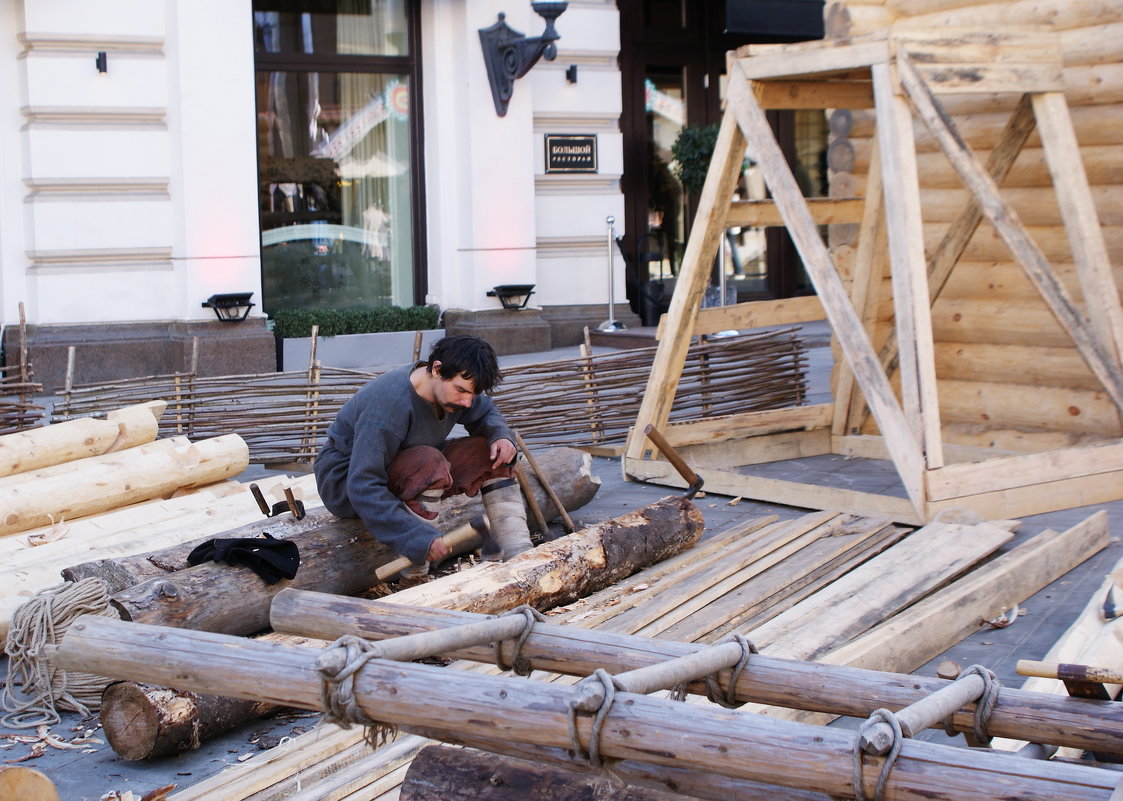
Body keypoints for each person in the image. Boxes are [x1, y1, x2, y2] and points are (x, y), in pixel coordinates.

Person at [313, 335, 533, 571]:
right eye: (461, 391)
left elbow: (484, 411)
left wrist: (500, 435)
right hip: (345, 482)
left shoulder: (457, 391)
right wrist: (417, 538)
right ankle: (415, 576)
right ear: (437, 369)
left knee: (493, 452)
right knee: (428, 462)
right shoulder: (389, 405)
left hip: (406, 464)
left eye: (472, 394)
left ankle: (520, 557)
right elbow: (363, 483)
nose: (467, 402)